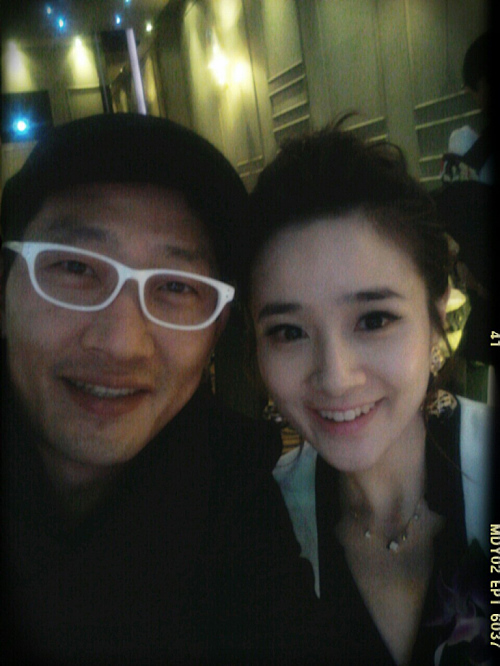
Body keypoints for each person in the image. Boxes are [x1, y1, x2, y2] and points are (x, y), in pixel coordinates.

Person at [0, 113, 317, 664]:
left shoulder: (237, 492)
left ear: (217, 330)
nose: (121, 343)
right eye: (75, 267)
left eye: (175, 286)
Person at [240, 126, 494, 665]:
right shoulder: (260, 528)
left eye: (374, 320)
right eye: (288, 331)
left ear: (437, 316)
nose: (335, 378)